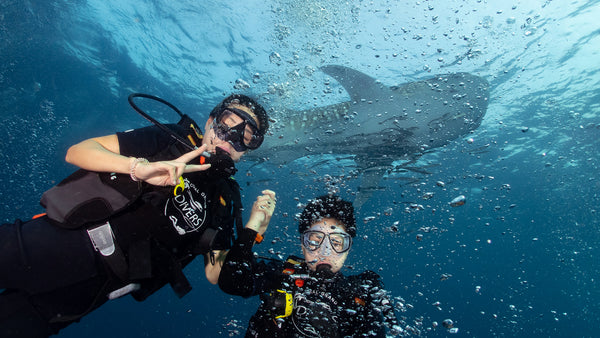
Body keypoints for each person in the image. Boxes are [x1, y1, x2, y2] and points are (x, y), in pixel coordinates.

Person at [0, 93, 272, 337]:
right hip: (49, 243)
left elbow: (216, 274)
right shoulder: (170, 140)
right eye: (228, 123)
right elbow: (78, 152)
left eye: (247, 137)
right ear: (211, 121)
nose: (232, 138)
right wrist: (136, 168)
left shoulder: (224, 199)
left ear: (248, 150)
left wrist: (253, 228)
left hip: (84, 294)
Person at [219, 194, 399, 337]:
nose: (325, 252)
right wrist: (254, 227)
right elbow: (232, 281)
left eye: (336, 243)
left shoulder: (359, 296)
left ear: (348, 249)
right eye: (315, 240)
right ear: (302, 245)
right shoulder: (285, 275)